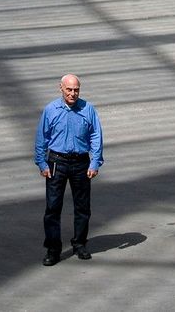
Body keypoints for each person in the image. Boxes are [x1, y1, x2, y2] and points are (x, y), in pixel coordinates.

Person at [34, 73, 104, 266]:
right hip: (56, 162)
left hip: (81, 162)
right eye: (69, 90)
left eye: (76, 90)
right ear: (61, 88)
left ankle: (80, 244)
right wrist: (41, 163)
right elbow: (42, 138)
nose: (73, 94)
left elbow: (96, 136)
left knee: (82, 207)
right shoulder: (51, 110)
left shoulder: (87, 109)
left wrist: (95, 162)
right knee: (53, 208)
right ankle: (53, 249)